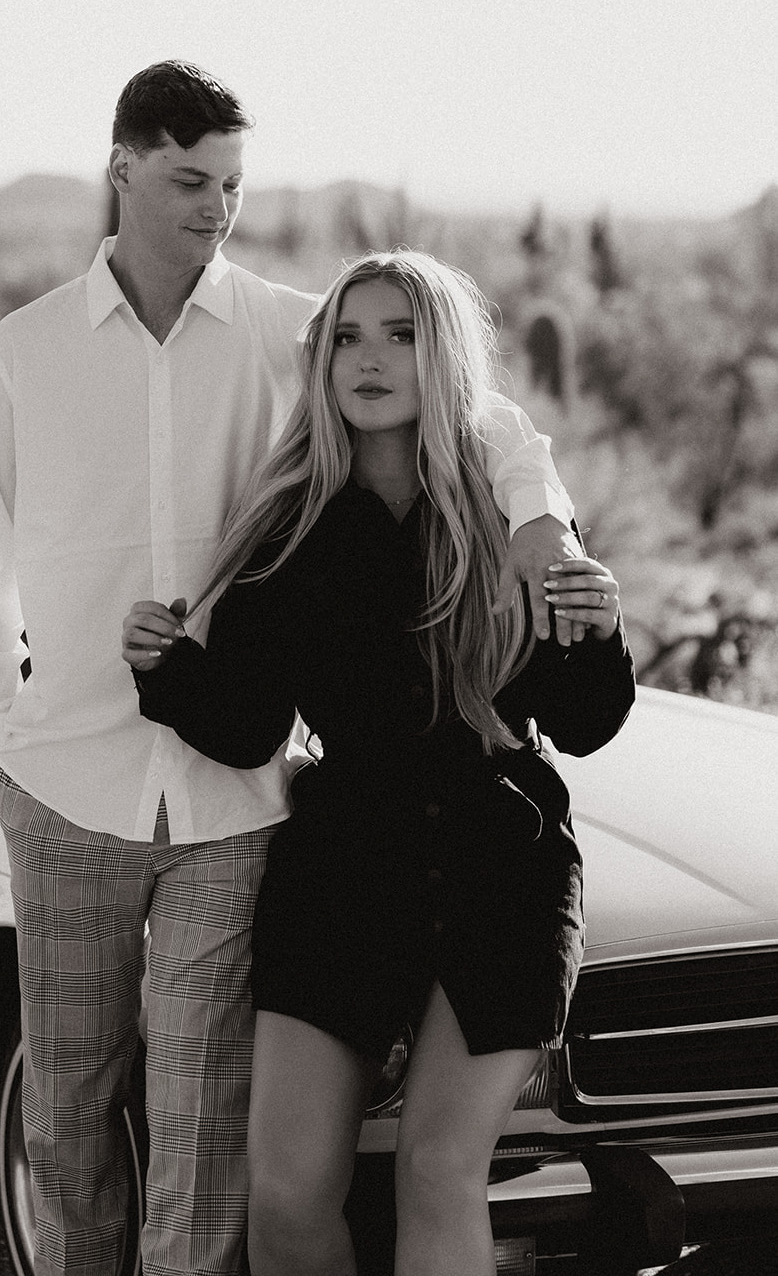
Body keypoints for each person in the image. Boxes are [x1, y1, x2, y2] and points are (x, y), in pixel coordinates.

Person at [0, 61, 581, 1276]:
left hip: (234, 803)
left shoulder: (298, 332)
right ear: (120, 167)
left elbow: (472, 404)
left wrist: (538, 520)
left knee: (203, 1131)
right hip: (65, 784)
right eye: (190, 180)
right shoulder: (24, 352)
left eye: (233, 184)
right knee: (68, 1108)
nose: (217, 208)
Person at [122, 250, 635, 1276]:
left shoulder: (511, 524)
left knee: (438, 1167)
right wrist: (165, 665)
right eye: (346, 335)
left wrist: (600, 628)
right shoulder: (288, 525)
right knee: (283, 1189)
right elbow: (249, 726)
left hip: (503, 863)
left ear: (441, 354)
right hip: (343, 866)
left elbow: (577, 724)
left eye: (399, 334)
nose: (367, 358)